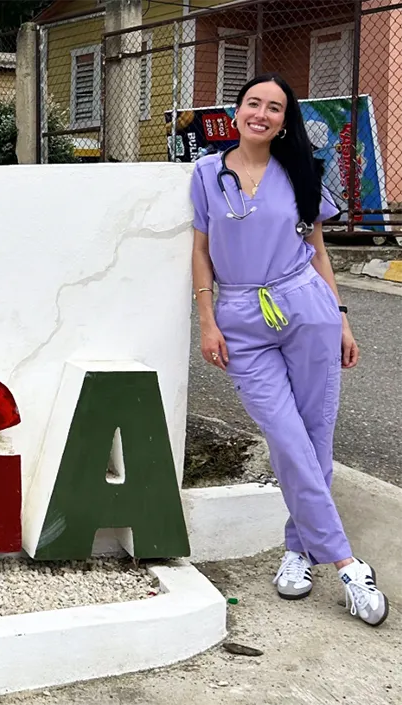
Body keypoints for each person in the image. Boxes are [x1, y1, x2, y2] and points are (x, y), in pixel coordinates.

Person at [189, 73, 388, 627]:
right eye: (253, 103)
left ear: (283, 122)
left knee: (315, 435)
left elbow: (317, 251)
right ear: (236, 113)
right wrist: (207, 321)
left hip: (306, 307)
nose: (262, 114)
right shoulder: (206, 173)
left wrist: (341, 318)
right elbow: (201, 252)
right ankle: (346, 563)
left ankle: (299, 550)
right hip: (240, 316)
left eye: (274, 108)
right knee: (285, 434)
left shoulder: (300, 171)